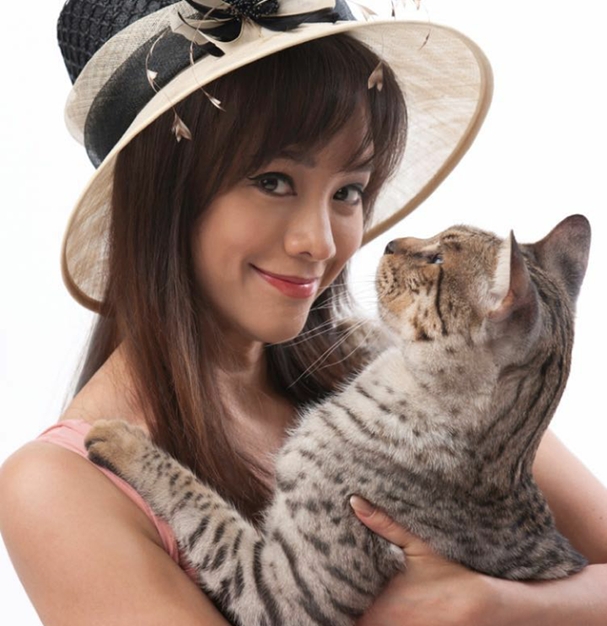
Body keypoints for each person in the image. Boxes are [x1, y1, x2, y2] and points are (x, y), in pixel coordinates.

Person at [1, 1, 606, 625]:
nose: (319, 242)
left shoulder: (392, 363)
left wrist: (491, 605)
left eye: (348, 191)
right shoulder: (60, 487)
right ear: (163, 193)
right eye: (272, 181)